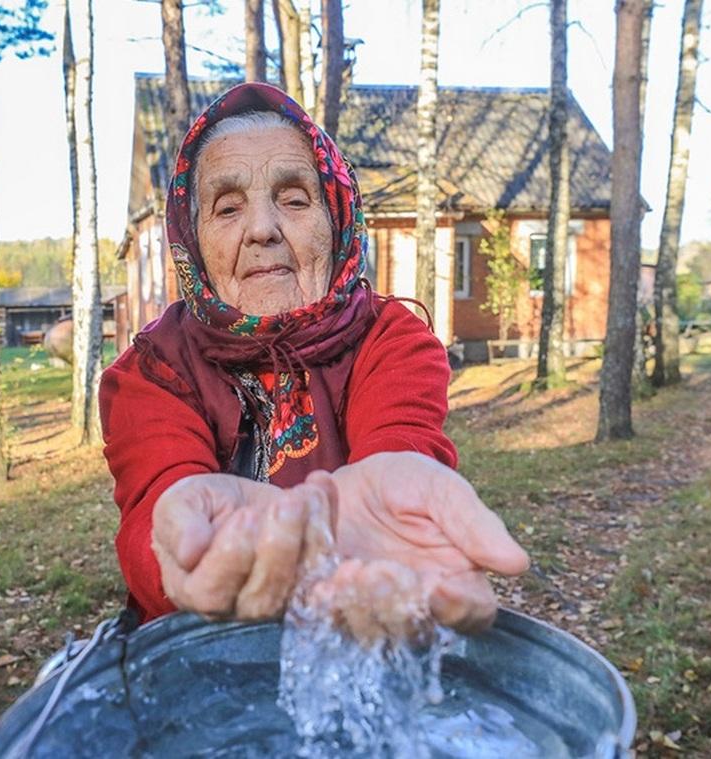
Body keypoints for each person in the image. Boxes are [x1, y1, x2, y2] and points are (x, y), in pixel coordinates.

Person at [99, 82, 529, 641]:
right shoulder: (151, 372)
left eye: (295, 199)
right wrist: (184, 547)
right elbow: (154, 520)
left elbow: (400, 448)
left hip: (354, 639)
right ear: (193, 238)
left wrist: (383, 516)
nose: (261, 230)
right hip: (192, 655)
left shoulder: (390, 340)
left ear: (337, 218)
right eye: (228, 207)